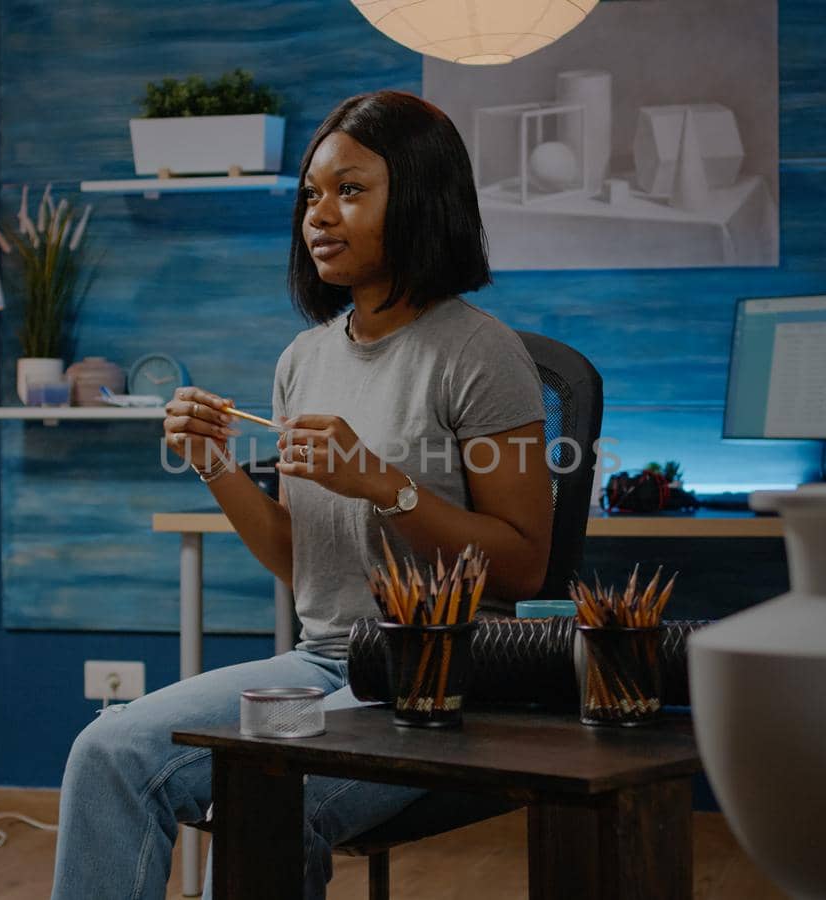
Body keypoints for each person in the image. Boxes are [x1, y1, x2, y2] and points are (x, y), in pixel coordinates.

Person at [52, 89, 553, 899]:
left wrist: (382, 486)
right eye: (312, 195)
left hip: (445, 680)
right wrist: (213, 462)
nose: (319, 215)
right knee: (106, 752)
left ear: (422, 198)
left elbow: (525, 569)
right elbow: (300, 561)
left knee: (265, 803)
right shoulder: (301, 360)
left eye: (351, 191)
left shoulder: (479, 353)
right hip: (324, 663)